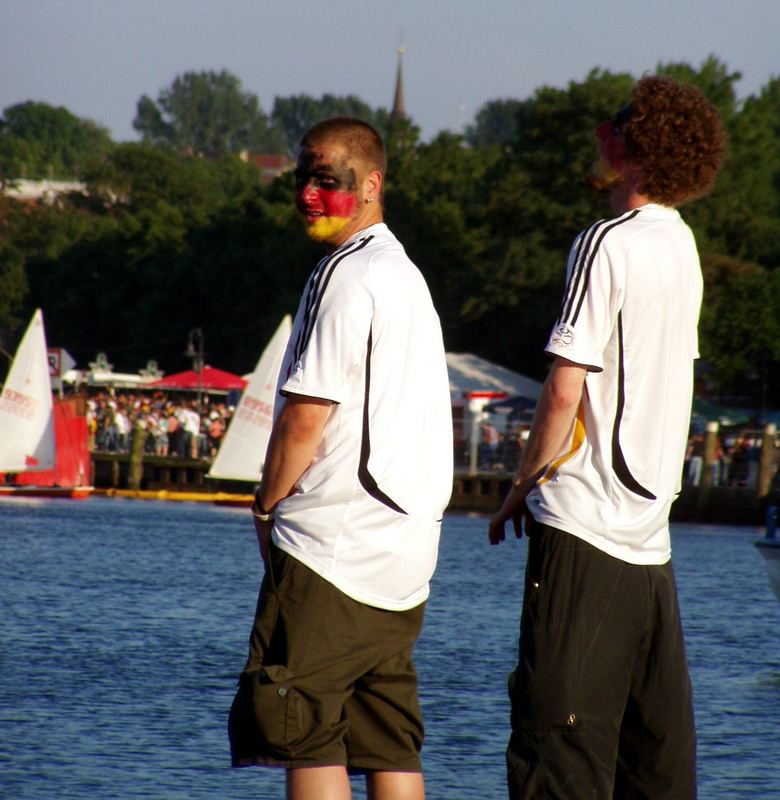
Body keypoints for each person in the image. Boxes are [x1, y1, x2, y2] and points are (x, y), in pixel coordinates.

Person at [488, 75, 725, 799]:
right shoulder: (682, 247)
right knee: (653, 768)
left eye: (616, 125)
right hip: (652, 545)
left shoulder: (605, 242)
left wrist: (520, 487)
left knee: (557, 760)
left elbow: (565, 387)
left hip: (586, 528)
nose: (602, 134)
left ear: (639, 149)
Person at [228, 117, 453, 800]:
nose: (308, 193)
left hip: (334, 548)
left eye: (328, 179)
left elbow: (303, 418)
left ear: (371, 184)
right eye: (302, 178)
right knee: (389, 741)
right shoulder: (406, 275)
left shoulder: (346, 275)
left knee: (306, 732)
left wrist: (266, 504)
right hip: (404, 560)